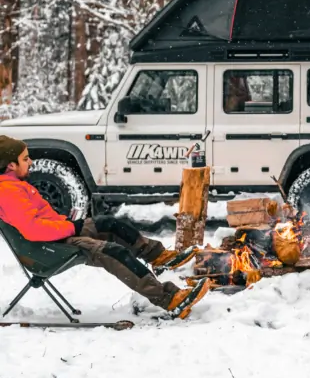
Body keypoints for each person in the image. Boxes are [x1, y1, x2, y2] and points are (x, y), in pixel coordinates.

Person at [0, 135, 211, 319]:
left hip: (54, 236)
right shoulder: (8, 191)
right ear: (10, 165)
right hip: (47, 249)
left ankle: (160, 257)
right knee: (113, 252)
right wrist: (71, 228)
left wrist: (68, 225)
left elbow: (37, 222)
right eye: (25, 159)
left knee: (107, 224)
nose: (31, 161)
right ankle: (169, 299)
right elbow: (32, 230)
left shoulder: (13, 186)